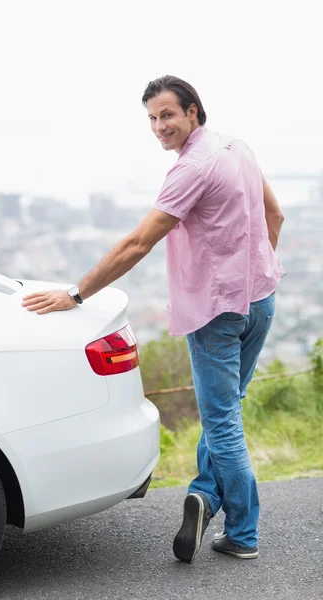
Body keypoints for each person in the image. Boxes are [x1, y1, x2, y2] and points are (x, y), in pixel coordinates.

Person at [22, 75, 285, 563]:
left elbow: (139, 243)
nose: (159, 126)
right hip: (260, 300)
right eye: (151, 118)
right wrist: (258, 272)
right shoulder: (238, 147)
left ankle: (244, 533)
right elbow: (275, 216)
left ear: (193, 112)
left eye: (167, 114)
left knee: (222, 420)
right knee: (226, 409)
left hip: (217, 311)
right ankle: (205, 496)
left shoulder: (191, 170)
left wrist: (76, 293)